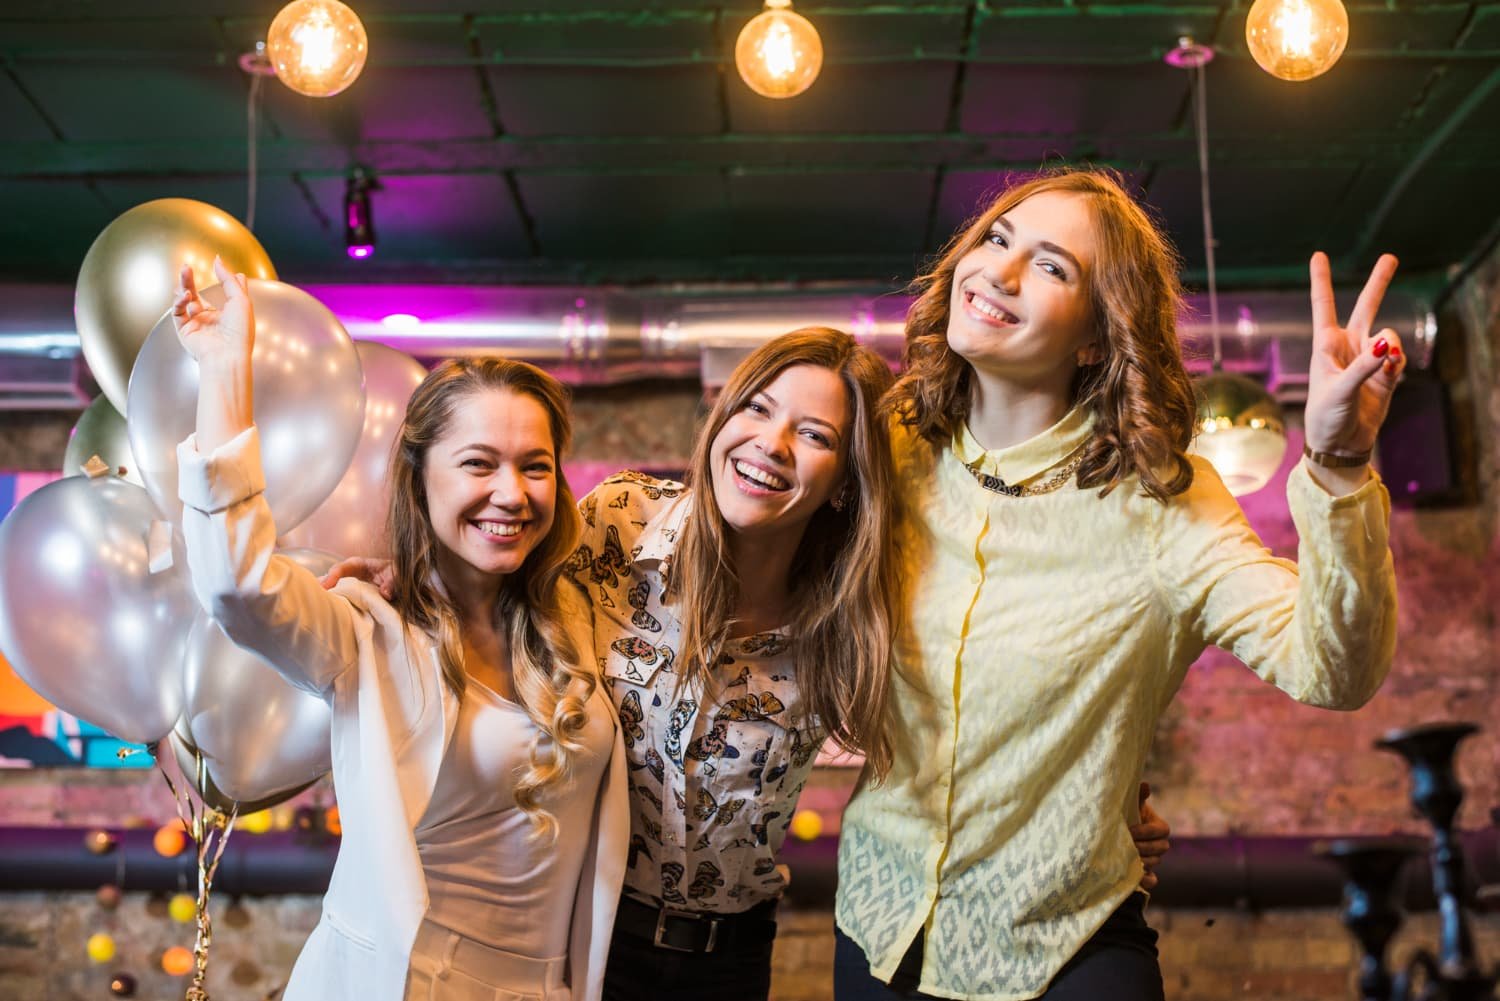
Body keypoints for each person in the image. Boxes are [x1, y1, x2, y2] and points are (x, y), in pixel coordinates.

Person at [331, 327, 1172, 1001]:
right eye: (756, 408)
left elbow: (969, 720)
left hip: (730, 958)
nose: (770, 444)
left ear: (845, 479)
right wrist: (403, 575)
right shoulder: (618, 525)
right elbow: (501, 564)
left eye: (813, 434)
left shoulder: (853, 614)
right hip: (586, 927)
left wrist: (1091, 805)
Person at [832, 167, 1402, 1001]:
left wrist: (1340, 463)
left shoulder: (1164, 501)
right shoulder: (888, 447)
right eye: (997, 238)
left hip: (1065, 948)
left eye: (1054, 266)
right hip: (876, 928)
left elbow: (1334, 669)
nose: (1000, 270)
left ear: (1099, 335)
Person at [171, 258, 627, 1001]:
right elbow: (237, 583)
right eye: (479, 463)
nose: (511, 493)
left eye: (535, 466)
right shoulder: (364, 629)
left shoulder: (572, 617)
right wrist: (224, 371)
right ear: (420, 478)